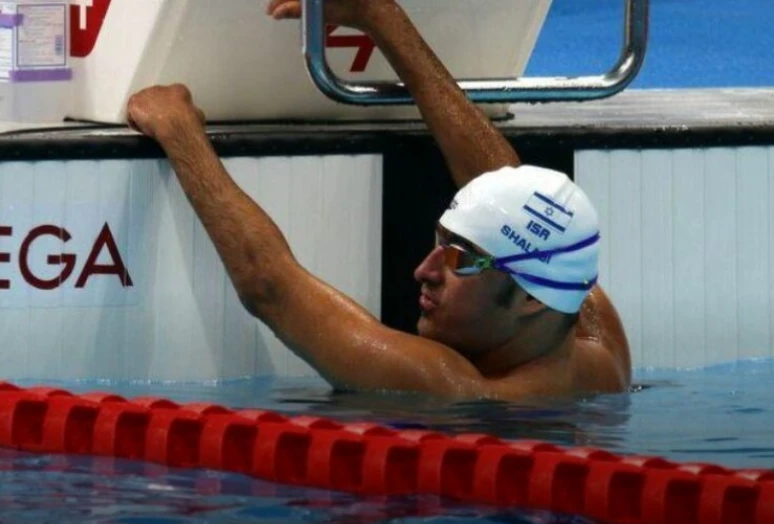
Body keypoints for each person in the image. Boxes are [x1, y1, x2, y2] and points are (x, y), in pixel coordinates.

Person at [125, 0, 631, 401]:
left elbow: (269, 288)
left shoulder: (453, 391)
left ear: (529, 299)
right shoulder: (604, 360)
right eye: (440, 244)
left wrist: (179, 132)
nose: (424, 270)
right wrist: (380, 16)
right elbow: (508, 198)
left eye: (458, 259)